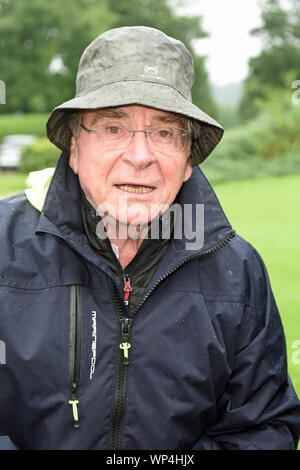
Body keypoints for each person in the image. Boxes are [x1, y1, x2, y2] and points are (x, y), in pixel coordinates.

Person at [0, 26, 299, 451]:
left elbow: (265, 429)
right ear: (74, 146)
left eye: (164, 132)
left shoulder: (239, 273)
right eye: (113, 128)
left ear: (188, 159)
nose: (140, 157)